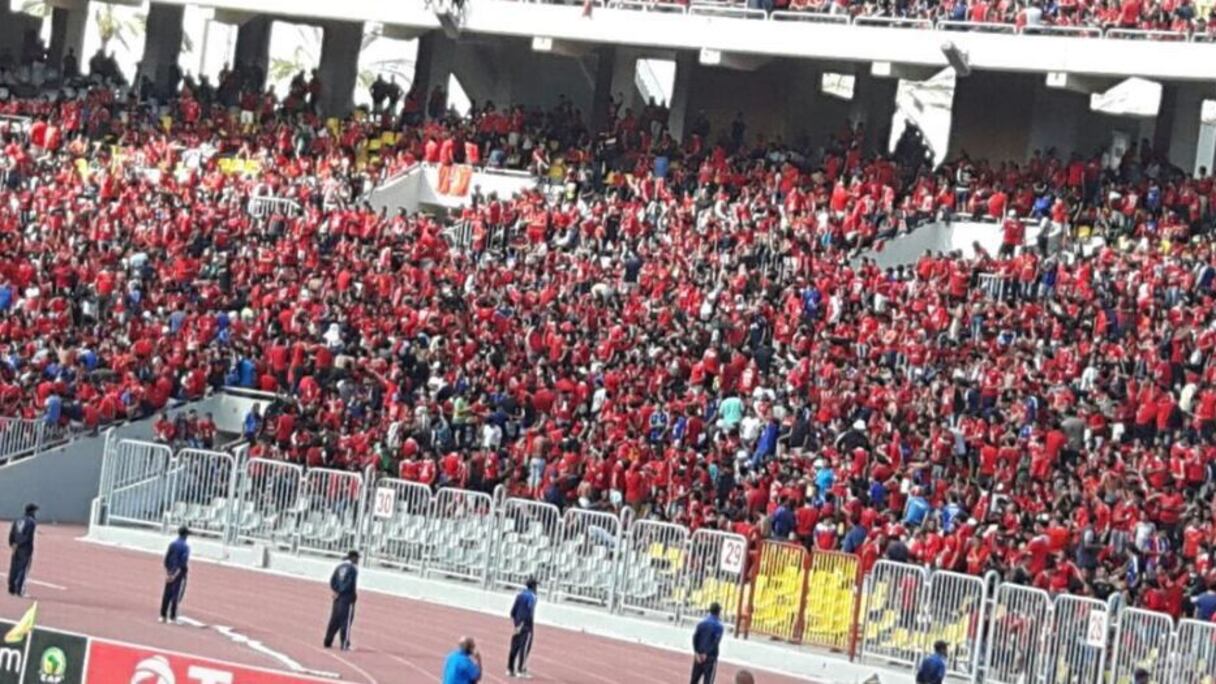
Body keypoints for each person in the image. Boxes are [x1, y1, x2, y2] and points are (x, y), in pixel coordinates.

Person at [324, 550, 359, 650]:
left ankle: (328, 641)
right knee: (346, 621)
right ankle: (344, 643)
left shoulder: (339, 567)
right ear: (353, 558)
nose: (358, 561)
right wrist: (344, 592)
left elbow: (332, 581)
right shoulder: (352, 569)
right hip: (347, 597)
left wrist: (336, 590)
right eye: (357, 558)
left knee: (334, 619)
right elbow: (350, 584)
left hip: (337, 597)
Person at [508, 577, 538, 678]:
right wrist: (528, 623)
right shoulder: (532, 596)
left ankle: (510, 668)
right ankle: (520, 670)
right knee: (524, 647)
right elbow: (530, 610)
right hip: (526, 624)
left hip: (517, 623)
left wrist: (517, 623)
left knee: (515, 645)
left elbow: (512, 612)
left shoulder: (520, 595)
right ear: (533, 586)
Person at [159, 526, 191, 623]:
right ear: (185, 535)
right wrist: (176, 574)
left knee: (167, 593)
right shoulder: (185, 547)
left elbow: (166, 559)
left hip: (170, 571)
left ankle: (163, 615)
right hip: (178, 573)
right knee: (175, 594)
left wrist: (169, 572)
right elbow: (183, 563)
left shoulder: (172, 544)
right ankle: (172, 616)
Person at [7, 503, 37, 597]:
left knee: (14, 567)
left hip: (16, 546)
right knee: (23, 568)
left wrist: (12, 544)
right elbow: (28, 536)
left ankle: (11, 588)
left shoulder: (17, 520)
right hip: (25, 548)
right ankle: (19, 590)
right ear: (32, 512)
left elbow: (12, 533)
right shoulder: (31, 522)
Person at [691, 602, 724, 684]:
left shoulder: (701, 624)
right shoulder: (719, 626)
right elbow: (715, 643)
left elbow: (695, 638)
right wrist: (706, 654)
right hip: (710, 658)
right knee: (708, 681)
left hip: (699, 656)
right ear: (718, 612)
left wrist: (696, 652)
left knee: (694, 680)